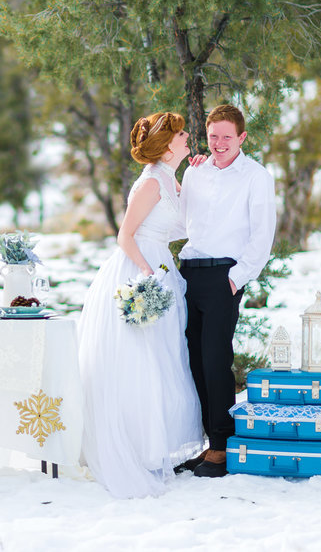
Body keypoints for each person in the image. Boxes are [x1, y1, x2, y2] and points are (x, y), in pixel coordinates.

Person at [77, 111, 204, 498]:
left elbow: (186, 222)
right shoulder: (150, 182)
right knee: (140, 360)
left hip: (162, 267)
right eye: (181, 134)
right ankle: (134, 448)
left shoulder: (170, 178)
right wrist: (148, 273)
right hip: (140, 270)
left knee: (164, 359)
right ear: (167, 146)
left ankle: (154, 447)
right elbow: (125, 235)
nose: (187, 137)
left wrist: (197, 176)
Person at [177, 103, 277, 478]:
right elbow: (182, 222)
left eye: (227, 137)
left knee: (215, 360)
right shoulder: (196, 173)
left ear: (242, 138)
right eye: (213, 136)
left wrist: (235, 279)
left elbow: (262, 236)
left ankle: (222, 447)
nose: (219, 144)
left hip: (224, 276)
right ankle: (206, 443)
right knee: (191, 360)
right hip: (189, 273)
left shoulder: (256, 176)